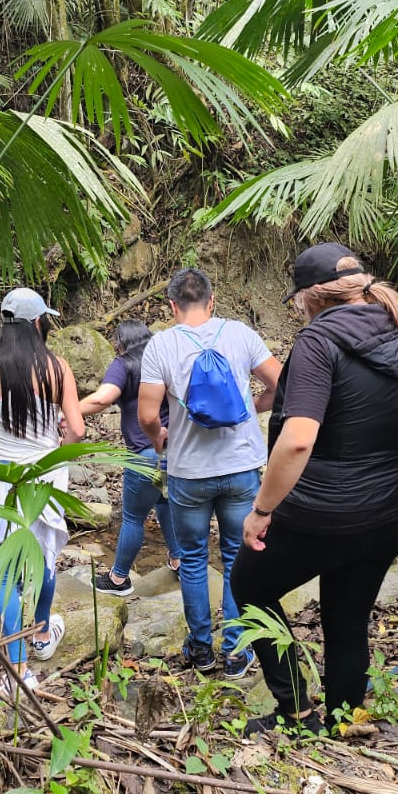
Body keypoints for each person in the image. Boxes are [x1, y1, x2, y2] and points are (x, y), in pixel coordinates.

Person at [235, 245, 398, 735]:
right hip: (387, 509)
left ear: (309, 297)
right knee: (348, 617)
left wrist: (262, 508)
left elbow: (298, 440)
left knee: (249, 585)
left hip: (322, 512)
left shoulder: (317, 342)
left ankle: (298, 710)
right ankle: (345, 721)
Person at [139, 268, 281, 676]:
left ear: (171, 307)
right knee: (238, 556)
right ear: (212, 301)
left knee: (194, 558)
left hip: (188, 472)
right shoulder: (239, 334)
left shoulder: (160, 345)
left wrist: (159, 438)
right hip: (241, 467)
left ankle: (201, 649)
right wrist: (253, 409)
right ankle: (237, 651)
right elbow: (281, 382)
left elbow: (147, 413)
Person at [0, 288, 85, 690]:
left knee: (2, 572)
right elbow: (78, 431)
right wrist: (54, 447)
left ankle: (18, 672)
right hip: (44, 477)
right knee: (44, 555)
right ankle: (43, 634)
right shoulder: (56, 366)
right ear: (36, 321)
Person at [80, 321, 179, 596]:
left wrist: (69, 411)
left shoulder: (124, 364)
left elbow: (104, 398)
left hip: (145, 455)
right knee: (165, 502)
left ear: (122, 342)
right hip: (174, 452)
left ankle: (119, 578)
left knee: (134, 517)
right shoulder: (165, 358)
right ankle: (179, 558)